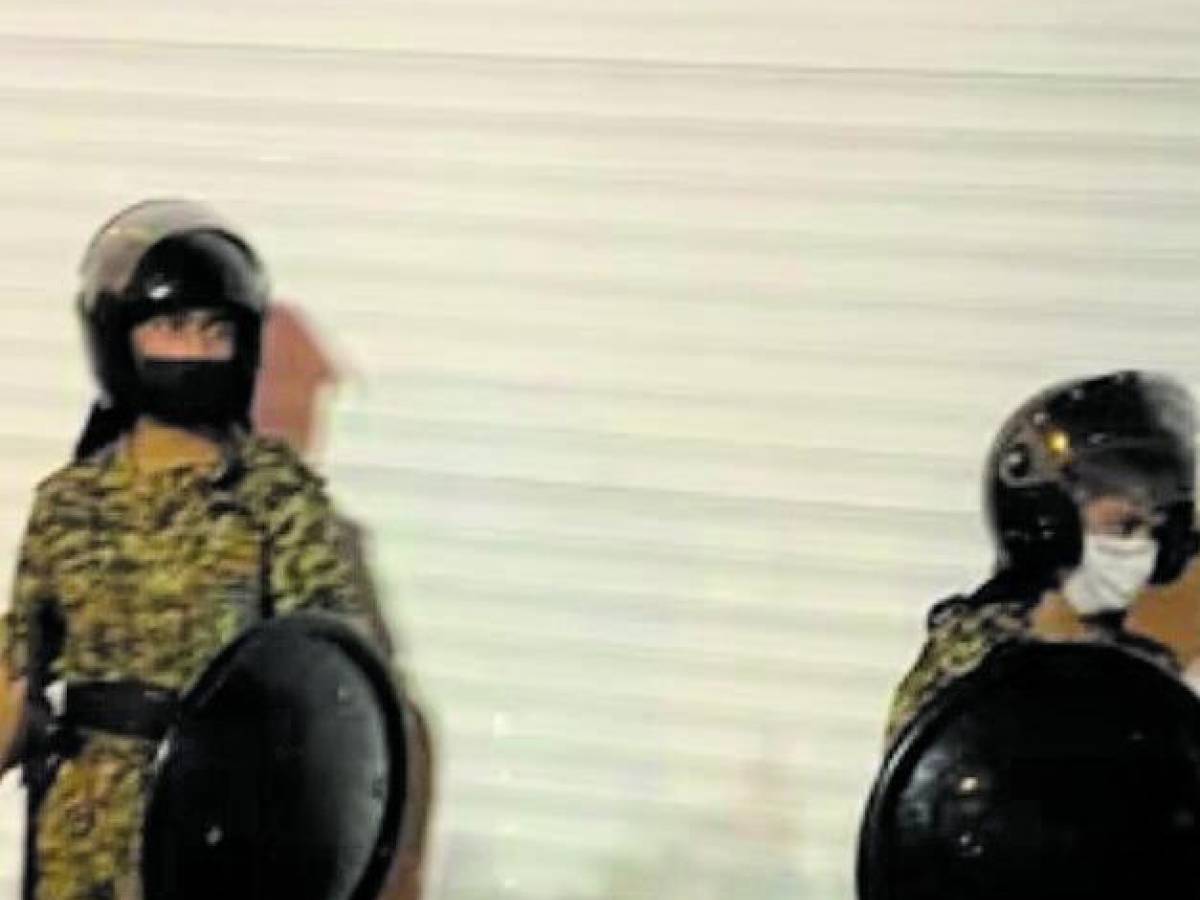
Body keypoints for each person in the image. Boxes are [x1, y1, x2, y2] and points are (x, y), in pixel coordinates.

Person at [0, 199, 379, 900]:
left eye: (216, 331)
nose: (197, 352)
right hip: (78, 848)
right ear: (120, 337)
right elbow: (15, 679)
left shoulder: (275, 497)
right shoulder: (70, 503)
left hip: (217, 841)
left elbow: (336, 702)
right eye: (172, 327)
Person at [885, 369, 1200, 744]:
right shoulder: (979, 666)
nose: (1146, 548)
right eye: (1123, 525)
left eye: (1158, 527)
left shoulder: (1134, 656)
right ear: (1054, 526)